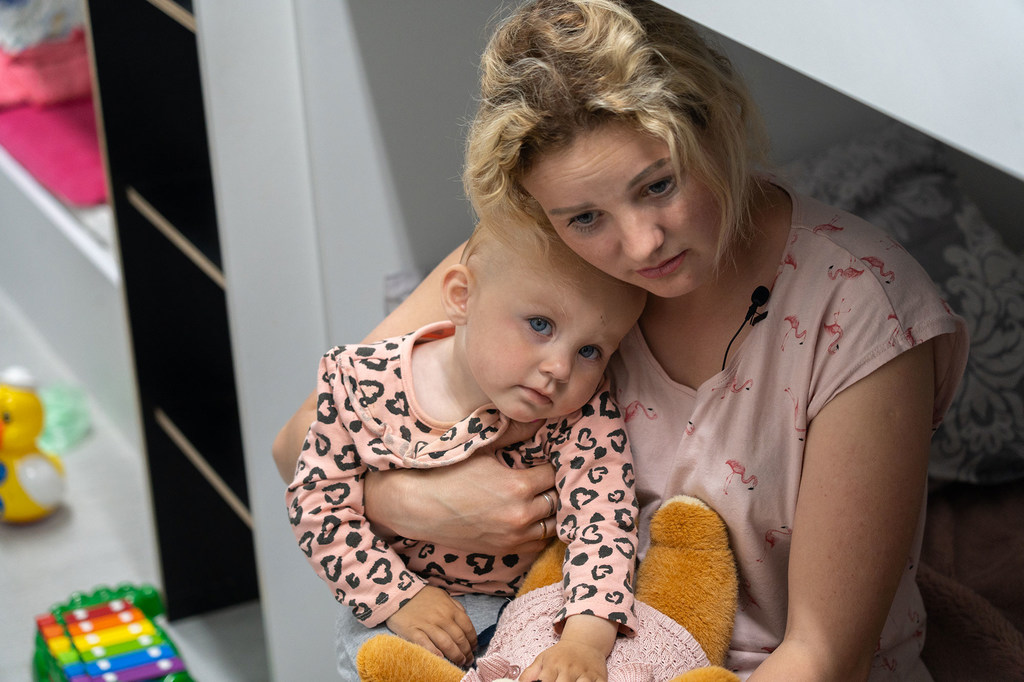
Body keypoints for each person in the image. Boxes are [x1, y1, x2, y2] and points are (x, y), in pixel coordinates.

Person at [275, 1, 970, 679]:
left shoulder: (859, 309)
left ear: (717, 125)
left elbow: (825, 657)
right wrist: (412, 502)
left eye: (659, 185)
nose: (640, 244)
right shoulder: (539, 254)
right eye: (584, 218)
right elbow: (298, 440)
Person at [285, 217, 647, 681]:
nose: (559, 368)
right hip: (399, 604)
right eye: (540, 325)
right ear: (462, 297)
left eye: (591, 351)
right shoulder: (359, 381)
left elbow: (605, 526)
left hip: (534, 610)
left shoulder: (582, 411)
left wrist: (583, 644)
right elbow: (315, 502)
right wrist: (400, 597)